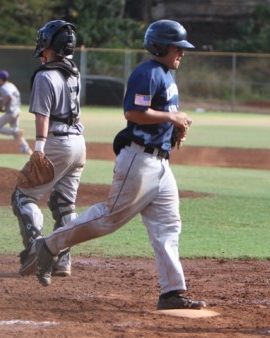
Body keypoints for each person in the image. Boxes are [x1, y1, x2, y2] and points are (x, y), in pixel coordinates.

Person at [20, 20, 206, 310]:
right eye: (176, 48)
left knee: (168, 226)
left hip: (160, 163)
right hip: (139, 161)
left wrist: (172, 127)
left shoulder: (166, 75)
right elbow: (134, 112)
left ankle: (172, 293)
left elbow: (155, 114)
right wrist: (172, 118)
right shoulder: (146, 74)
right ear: (159, 46)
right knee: (109, 218)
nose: (181, 53)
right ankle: (48, 245)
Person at [12, 20, 86, 278]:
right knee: (64, 204)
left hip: (56, 142)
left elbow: (42, 115)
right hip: (78, 143)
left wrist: (39, 149)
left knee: (23, 197)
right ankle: (63, 260)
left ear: (49, 45)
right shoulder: (73, 71)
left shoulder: (45, 75)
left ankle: (35, 248)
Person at [0, 70, 32, 154]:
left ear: (0, 79)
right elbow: (12, 97)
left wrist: (2, 105)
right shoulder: (11, 85)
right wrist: (1, 99)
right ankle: (26, 149)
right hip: (17, 110)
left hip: (11, 112)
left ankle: (15, 131)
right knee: (17, 134)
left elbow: (9, 97)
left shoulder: (3, 87)